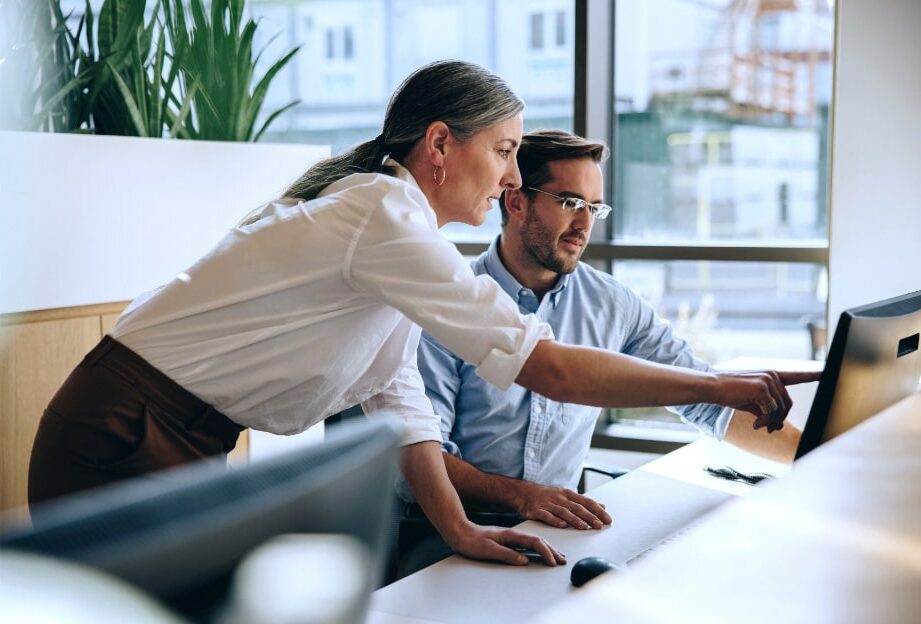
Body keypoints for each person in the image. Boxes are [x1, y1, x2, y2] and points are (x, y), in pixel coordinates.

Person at [28, 60, 817, 568]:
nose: (511, 175)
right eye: (505, 150)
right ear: (441, 144)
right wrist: (720, 388)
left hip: (171, 429)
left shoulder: (398, 238)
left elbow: (398, 401)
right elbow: (544, 366)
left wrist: (459, 531)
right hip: (124, 427)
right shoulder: (383, 218)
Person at [396, 131, 804, 563]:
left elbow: (706, 400)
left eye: (594, 207)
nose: (585, 225)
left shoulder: (612, 303)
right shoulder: (448, 302)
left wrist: (815, 456)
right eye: (571, 203)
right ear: (516, 201)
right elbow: (424, 454)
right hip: (450, 533)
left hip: (558, 532)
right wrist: (523, 497)